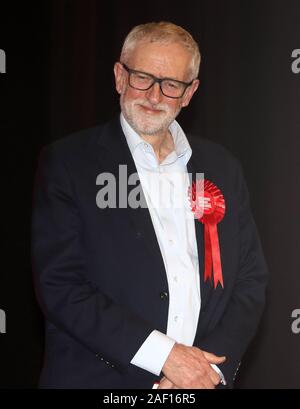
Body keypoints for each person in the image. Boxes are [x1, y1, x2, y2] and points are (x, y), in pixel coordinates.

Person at [32, 21, 268, 389]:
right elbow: (61, 286)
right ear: (119, 76)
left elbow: (250, 281)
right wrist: (167, 357)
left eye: (171, 84)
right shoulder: (69, 163)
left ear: (190, 93)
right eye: (143, 77)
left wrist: (207, 370)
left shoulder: (223, 167)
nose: (154, 96)